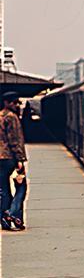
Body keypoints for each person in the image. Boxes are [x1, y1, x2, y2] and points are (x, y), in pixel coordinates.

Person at [1, 92, 27, 231]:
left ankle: (6, 219)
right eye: (14, 102)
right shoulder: (11, 118)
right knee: (21, 187)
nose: (17, 105)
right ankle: (12, 214)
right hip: (9, 158)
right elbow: (14, 141)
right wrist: (20, 160)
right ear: (6, 102)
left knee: (4, 190)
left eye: (18, 102)